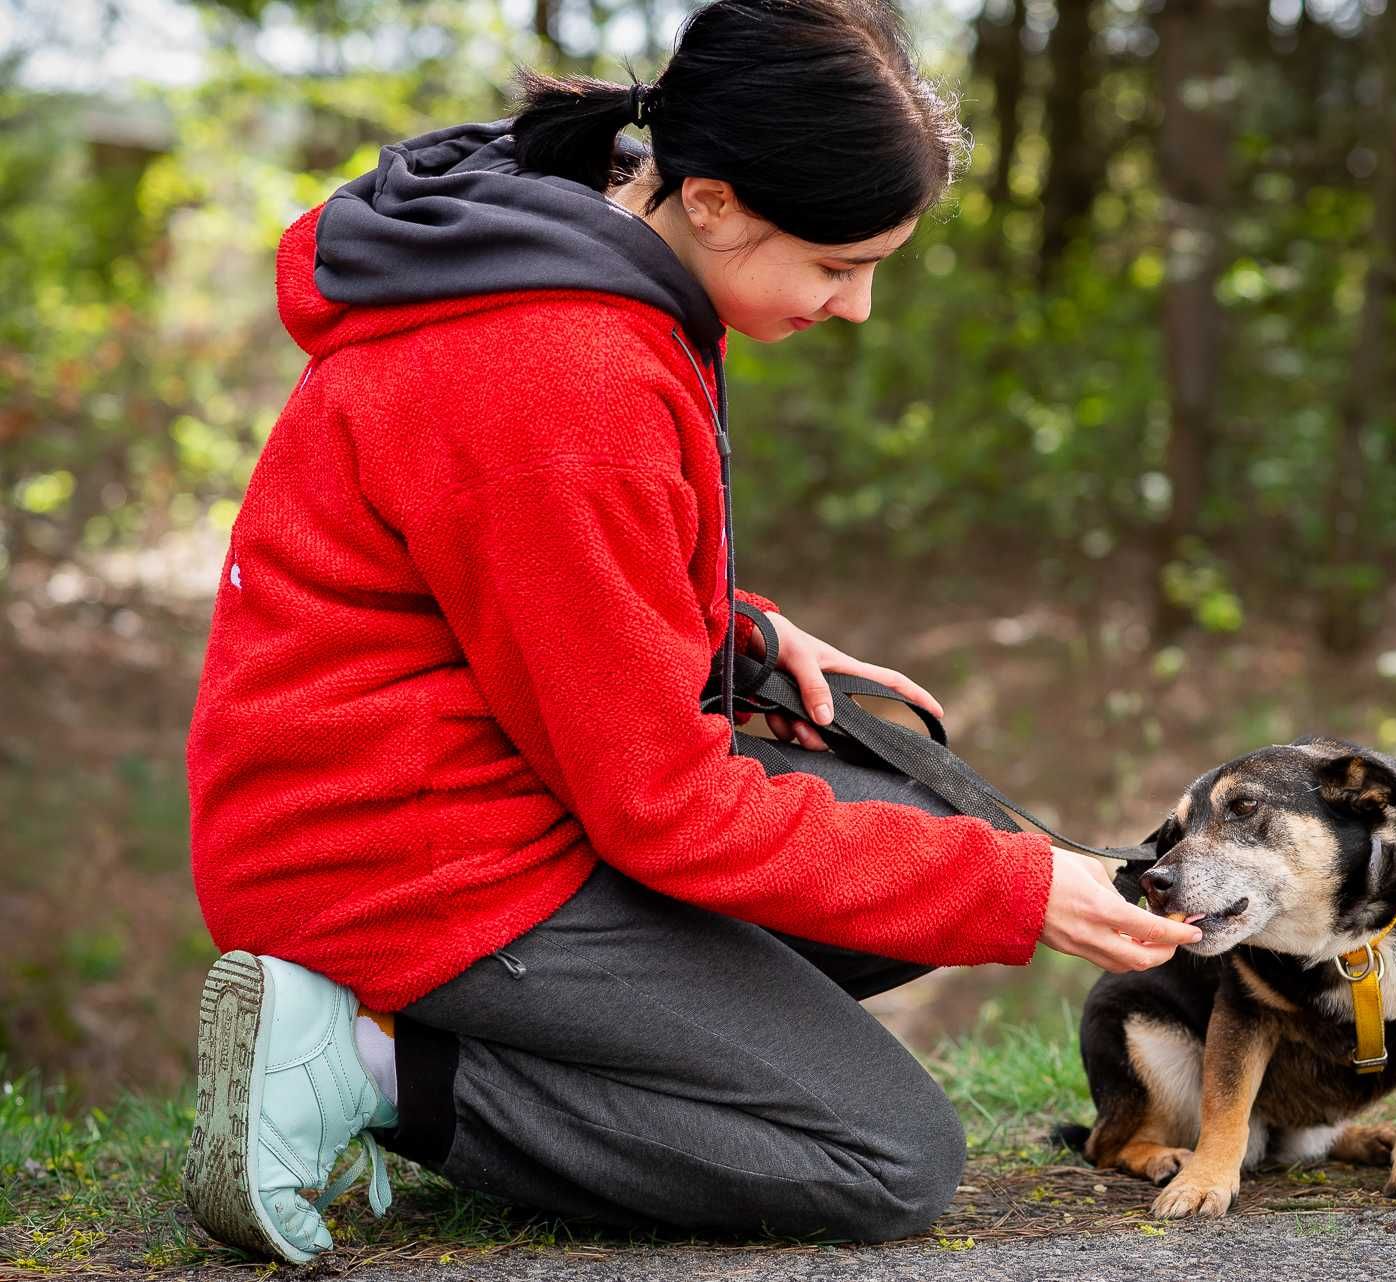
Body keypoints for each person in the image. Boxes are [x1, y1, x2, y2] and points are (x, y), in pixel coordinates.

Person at [180, 0, 1200, 1264]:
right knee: (885, 1156)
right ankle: (379, 1058)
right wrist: (1020, 886)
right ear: (711, 199)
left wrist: (739, 632)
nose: (858, 307)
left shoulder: (581, 238)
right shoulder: (562, 374)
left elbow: (506, 574)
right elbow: (660, 806)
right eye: (836, 266)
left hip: (480, 775)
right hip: (391, 856)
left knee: (935, 836)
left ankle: (540, 1046)